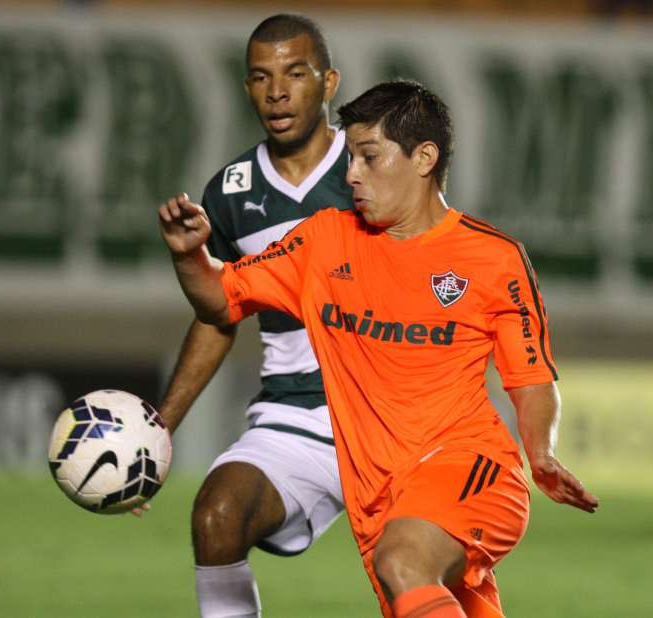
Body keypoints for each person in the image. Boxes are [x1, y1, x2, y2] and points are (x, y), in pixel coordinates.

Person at [158, 80, 599, 618]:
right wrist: (190, 258)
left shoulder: (493, 259)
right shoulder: (324, 240)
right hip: (379, 496)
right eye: (350, 158)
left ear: (424, 158)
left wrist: (540, 453)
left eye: (368, 157)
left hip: (471, 468)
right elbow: (221, 301)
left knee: (403, 563)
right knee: (408, 576)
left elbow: (531, 381)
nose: (351, 175)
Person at [143, 13, 351, 618]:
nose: (277, 91)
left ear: (329, 82)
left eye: (296, 73)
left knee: (408, 567)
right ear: (246, 88)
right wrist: (161, 429)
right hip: (295, 418)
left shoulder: (373, 169)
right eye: (261, 77)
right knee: (216, 516)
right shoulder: (229, 194)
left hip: (388, 416)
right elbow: (220, 316)